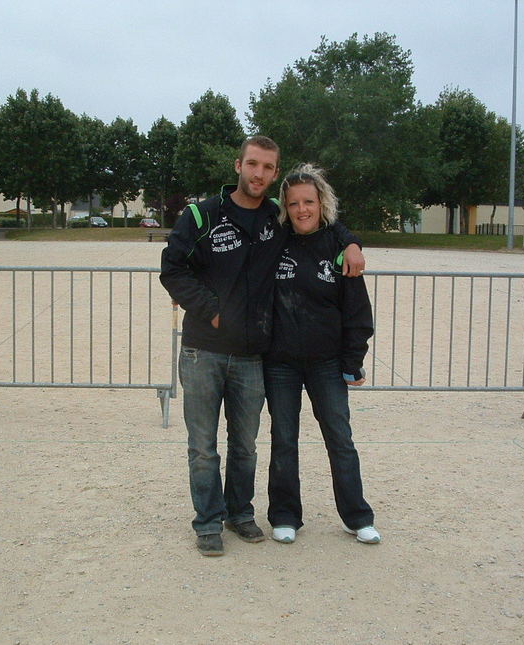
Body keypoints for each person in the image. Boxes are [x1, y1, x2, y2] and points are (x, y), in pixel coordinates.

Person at [159, 136, 365, 557]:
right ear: (238, 165)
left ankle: (239, 513)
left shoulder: (277, 219)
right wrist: (211, 310)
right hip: (203, 350)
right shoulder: (203, 215)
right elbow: (172, 269)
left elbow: (324, 224)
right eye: (252, 164)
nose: (259, 173)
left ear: (275, 173)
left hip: (253, 355)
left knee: (245, 444)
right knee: (203, 446)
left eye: (268, 168)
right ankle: (207, 522)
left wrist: (351, 241)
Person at [264, 163, 380, 546]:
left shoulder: (337, 246)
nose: (302, 210)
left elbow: (357, 312)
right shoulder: (274, 240)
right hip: (279, 362)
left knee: (340, 438)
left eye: (309, 202)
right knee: (284, 438)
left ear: (321, 203)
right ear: (285, 206)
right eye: (294, 203)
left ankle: (357, 516)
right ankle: (284, 515)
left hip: (327, 364)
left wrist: (352, 360)